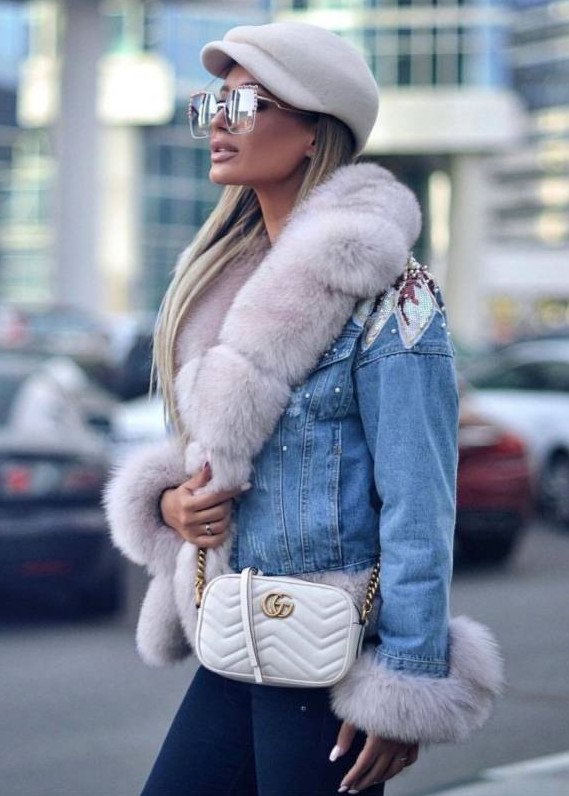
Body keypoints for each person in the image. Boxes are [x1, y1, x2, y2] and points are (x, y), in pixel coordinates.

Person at [104, 21, 504, 796]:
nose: (216, 123)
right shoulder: (213, 282)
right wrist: (171, 504)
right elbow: (203, 453)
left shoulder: (391, 293)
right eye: (210, 104)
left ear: (313, 130)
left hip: (329, 650)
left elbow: (419, 501)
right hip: (234, 628)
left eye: (241, 105)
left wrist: (405, 680)